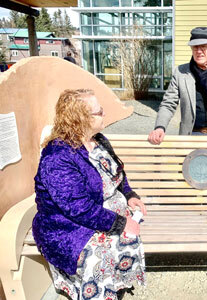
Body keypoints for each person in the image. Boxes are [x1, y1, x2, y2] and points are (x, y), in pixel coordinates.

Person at [32, 89, 147, 300]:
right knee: (99, 257)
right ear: (81, 119)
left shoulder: (98, 140)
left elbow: (117, 172)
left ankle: (115, 287)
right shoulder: (58, 157)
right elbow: (78, 208)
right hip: (68, 227)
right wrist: (122, 223)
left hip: (101, 214)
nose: (105, 115)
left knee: (128, 239)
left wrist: (129, 194)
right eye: (99, 112)